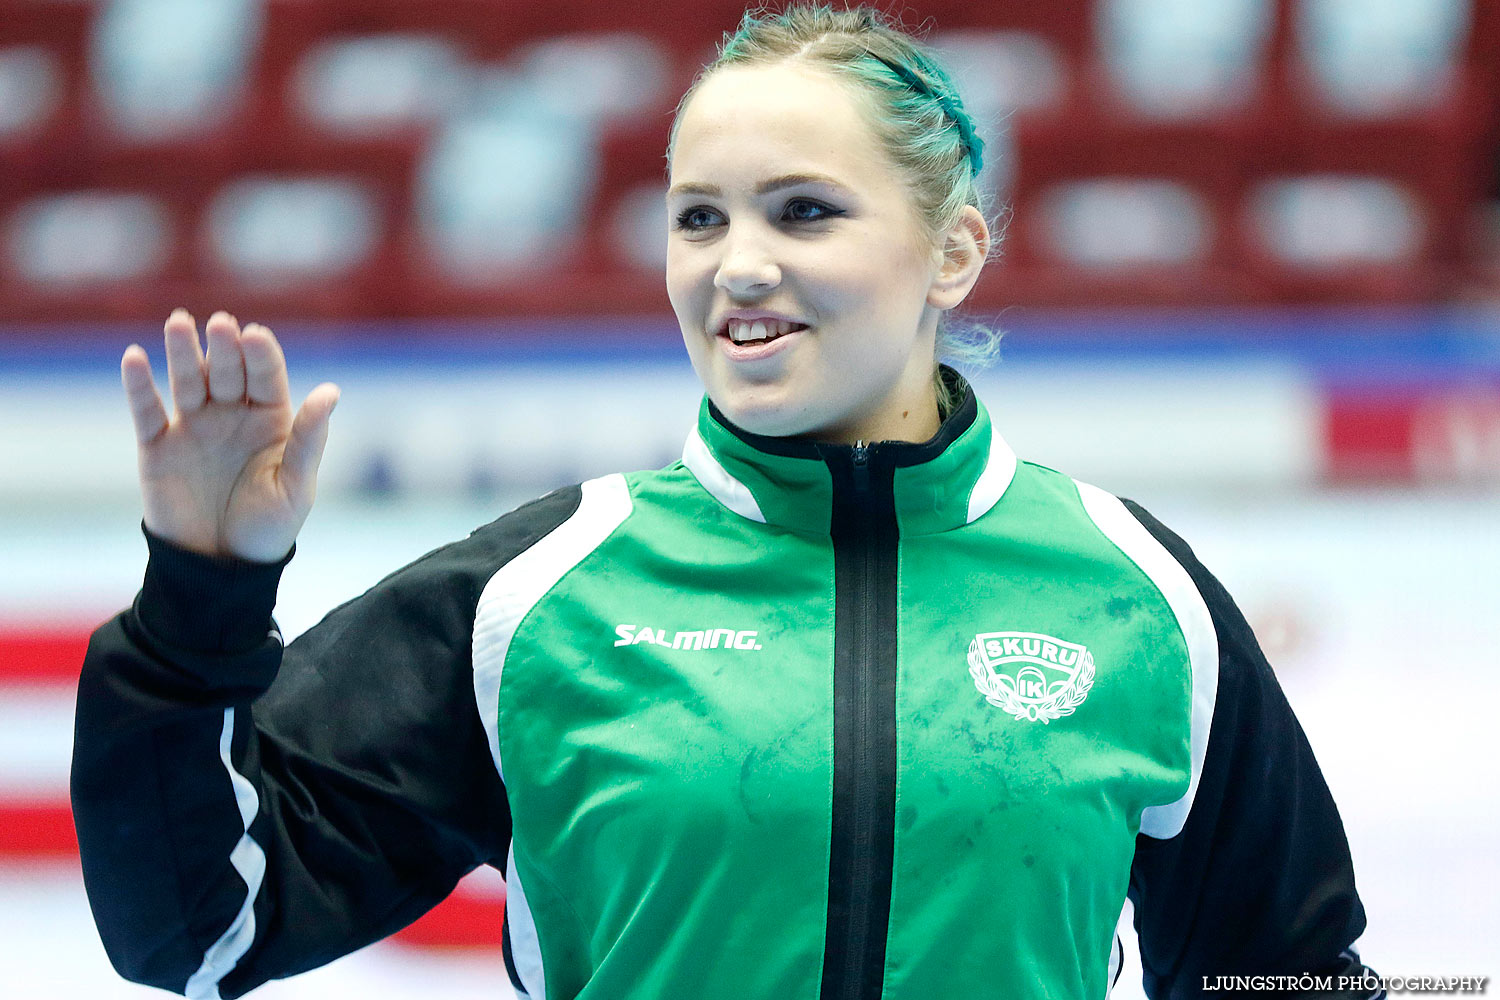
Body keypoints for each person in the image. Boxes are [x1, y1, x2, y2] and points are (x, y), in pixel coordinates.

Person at [72, 6, 1382, 999]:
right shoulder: (534, 604)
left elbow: (1289, 974)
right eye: (697, 218)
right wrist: (200, 586)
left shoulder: (1138, 598)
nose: (738, 267)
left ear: (954, 250)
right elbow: (198, 931)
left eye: (802, 212)